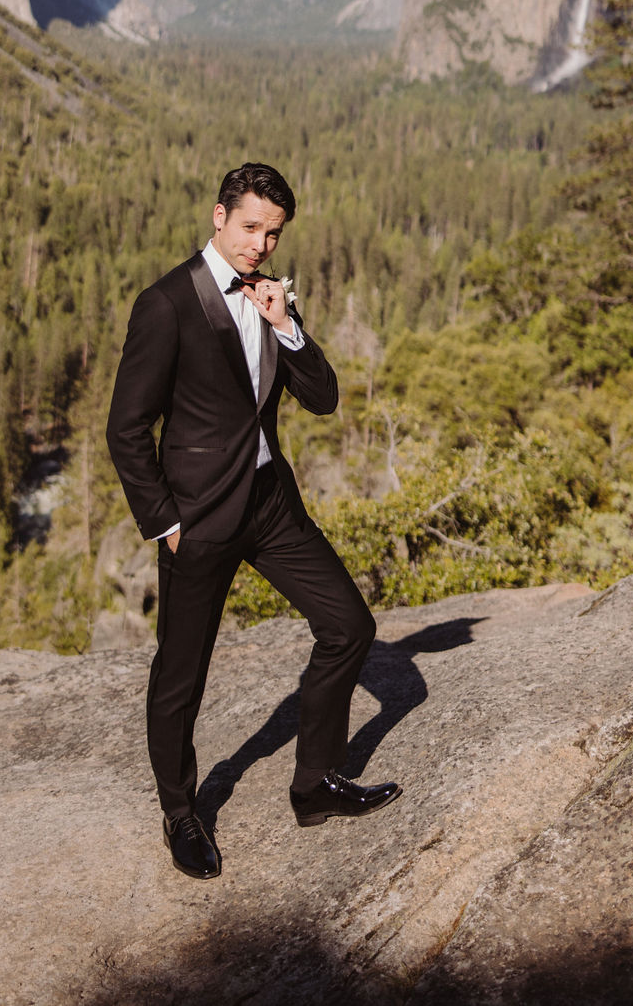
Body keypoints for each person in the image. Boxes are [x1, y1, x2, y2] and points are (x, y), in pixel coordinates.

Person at [106, 162, 400, 880]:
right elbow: (126, 428)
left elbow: (324, 398)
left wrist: (286, 325)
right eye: (249, 227)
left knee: (349, 625)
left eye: (272, 233)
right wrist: (166, 524)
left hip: (271, 504)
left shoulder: (273, 298)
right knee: (182, 674)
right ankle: (181, 811)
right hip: (199, 519)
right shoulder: (167, 303)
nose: (261, 244)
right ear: (217, 216)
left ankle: (314, 782)